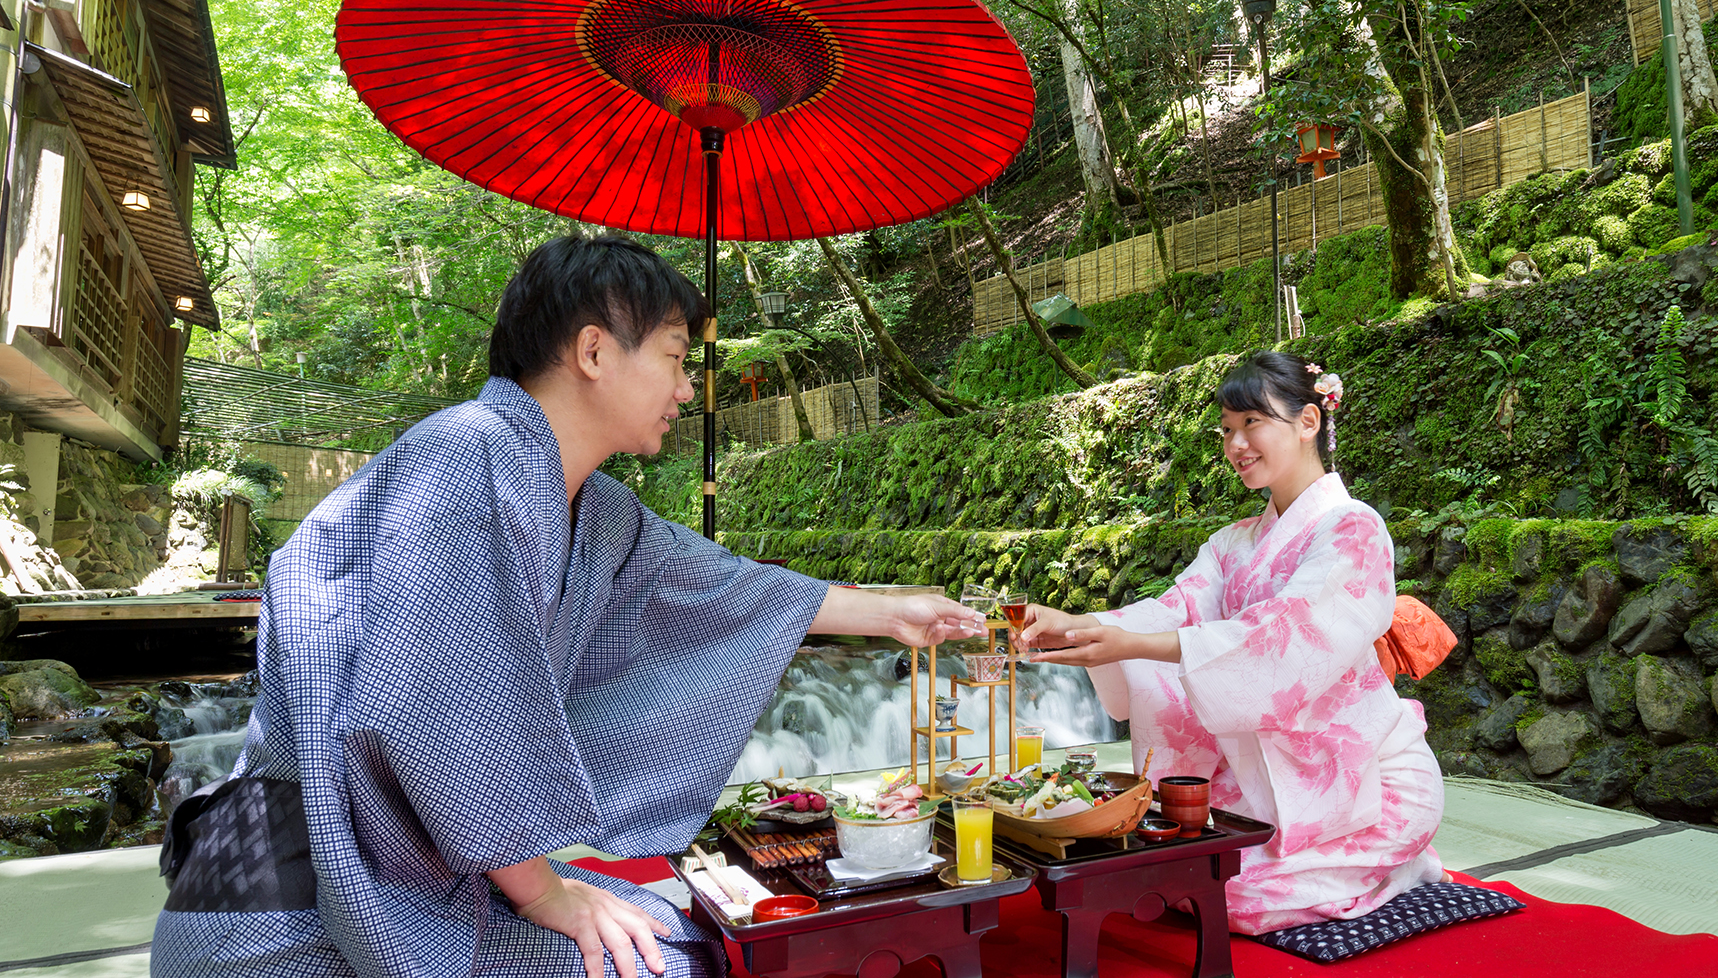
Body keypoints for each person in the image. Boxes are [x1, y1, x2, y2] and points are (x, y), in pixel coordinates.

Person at [151, 235, 983, 978]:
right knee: (662, 963)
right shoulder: (466, 451)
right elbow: (432, 701)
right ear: (593, 349)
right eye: (673, 356)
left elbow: (726, 588)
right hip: (292, 910)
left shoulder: (599, 507)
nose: (686, 389)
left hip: (413, 874)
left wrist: (893, 612)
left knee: (697, 936)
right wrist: (547, 892)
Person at [1021, 351, 1445, 935]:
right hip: (1264, 777)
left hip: (1363, 780)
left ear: (1308, 422)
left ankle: (1400, 867)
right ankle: (1351, 869)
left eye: (1253, 423)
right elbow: (1173, 611)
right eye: (1227, 430)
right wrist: (1079, 623)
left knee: (1227, 903)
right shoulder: (1231, 543)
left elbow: (1282, 638)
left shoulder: (1354, 529)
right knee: (1173, 883)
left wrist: (1129, 643)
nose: (1237, 444)